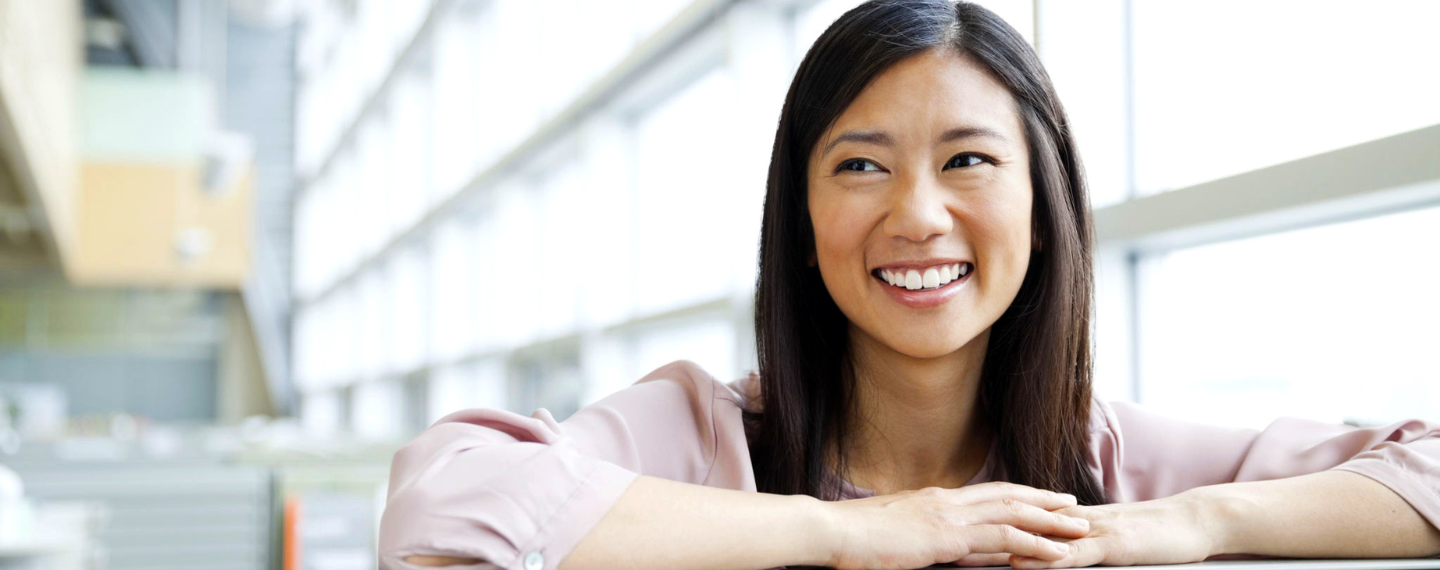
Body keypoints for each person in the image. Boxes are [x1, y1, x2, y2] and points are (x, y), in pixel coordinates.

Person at [377, 1, 1440, 569]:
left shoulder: (1107, 459)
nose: (919, 215)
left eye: (970, 161)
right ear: (801, 222)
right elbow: (444, 503)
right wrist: (854, 533)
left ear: (1043, 209)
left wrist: (1196, 523)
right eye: (861, 166)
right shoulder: (699, 435)